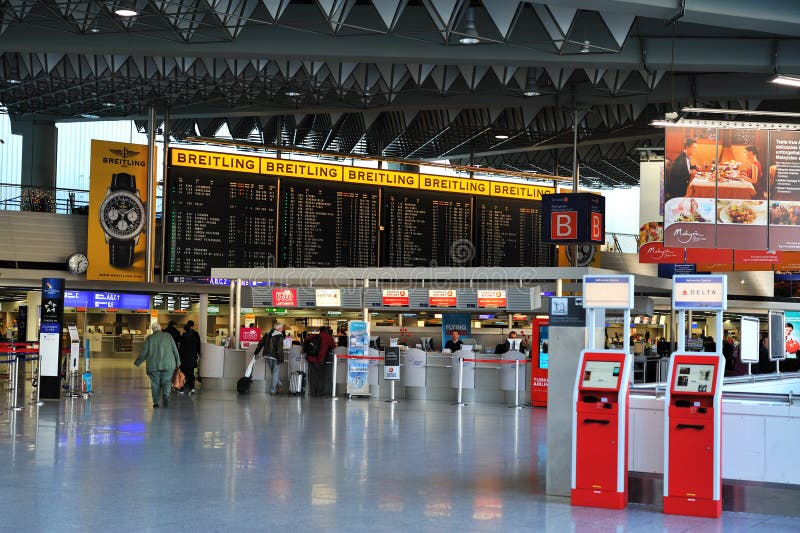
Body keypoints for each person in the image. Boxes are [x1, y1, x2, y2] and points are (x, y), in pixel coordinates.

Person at [134, 322, 181, 408]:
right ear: (160, 329)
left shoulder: (149, 338)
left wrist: (137, 362)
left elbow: (144, 353)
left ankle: (156, 402)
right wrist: (178, 362)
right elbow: (175, 349)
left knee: (155, 383)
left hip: (153, 365)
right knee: (167, 381)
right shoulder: (168, 336)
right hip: (168, 364)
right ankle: (166, 396)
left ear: (152, 330)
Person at [255, 323, 285, 395]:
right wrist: (280, 358)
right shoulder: (279, 335)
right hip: (275, 357)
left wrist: (256, 352)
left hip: (267, 356)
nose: (282, 329)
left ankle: (280, 385)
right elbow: (279, 348)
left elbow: (261, 343)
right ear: (278, 328)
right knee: (275, 373)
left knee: (273, 372)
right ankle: (273, 390)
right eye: (281, 328)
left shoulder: (268, 333)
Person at [306, 326, 336, 397]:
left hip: (311, 359)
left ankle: (313, 393)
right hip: (321, 359)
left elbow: (306, 343)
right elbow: (333, 346)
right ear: (326, 331)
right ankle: (319, 393)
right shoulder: (328, 337)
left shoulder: (313, 336)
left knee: (313, 376)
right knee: (320, 377)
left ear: (319, 330)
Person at [179, 320, 201, 395]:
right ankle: (192, 388)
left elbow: (181, 349)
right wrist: (198, 354)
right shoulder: (195, 335)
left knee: (183, 374)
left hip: (184, 359)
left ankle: (182, 388)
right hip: (192, 358)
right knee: (191, 374)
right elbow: (198, 346)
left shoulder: (183, 337)